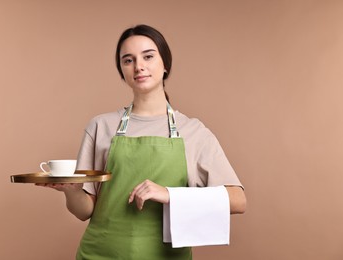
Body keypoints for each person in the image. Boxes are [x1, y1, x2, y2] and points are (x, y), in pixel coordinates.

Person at [39, 24, 246, 259]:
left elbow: (238, 201)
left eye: (148, 56)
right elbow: (85, 211)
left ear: (165, 64)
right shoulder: (100, 126)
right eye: (128, 60)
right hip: (100, 254)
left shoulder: (193, 131)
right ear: (122, 70)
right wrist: (72, 191)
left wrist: (169, 194)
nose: (139, 66)